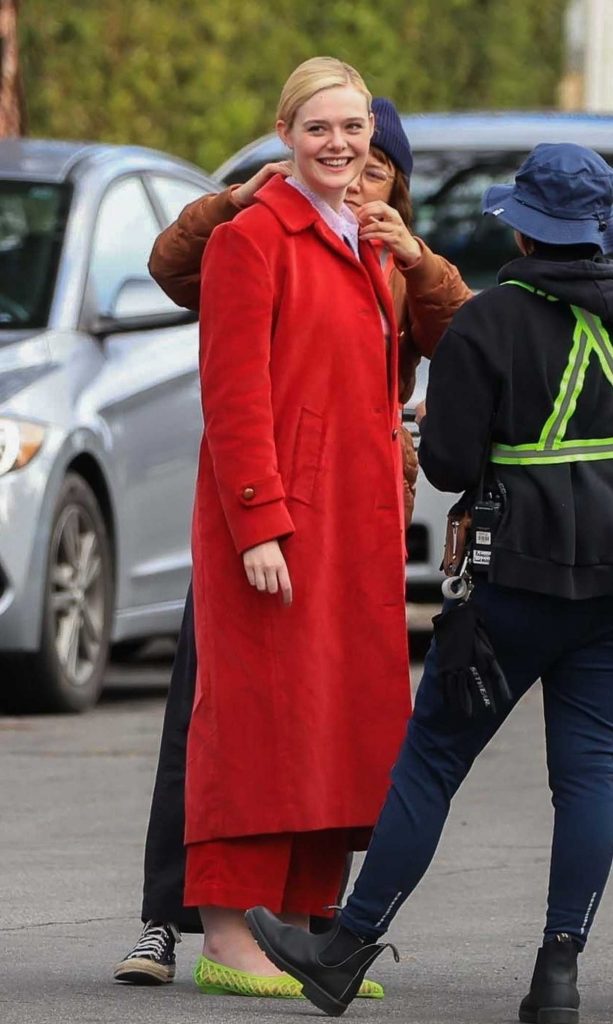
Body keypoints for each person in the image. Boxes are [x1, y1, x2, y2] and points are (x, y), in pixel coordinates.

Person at [244, 142, 613, 1024]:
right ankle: (558, 975)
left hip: (513, 577)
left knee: (434, 759)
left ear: (523, 235)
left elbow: (448, 464)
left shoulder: (489, 320)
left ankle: (343, 946)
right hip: (608, 582)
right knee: (591, 773)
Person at [113, 84, 471, 992]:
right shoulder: (250, 235)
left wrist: (414, 256)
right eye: (323, 128)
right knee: (252, 723)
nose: (347, 151)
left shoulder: (377, 246)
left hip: (357, 521)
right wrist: (258, 519)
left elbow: (463, 343)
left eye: (360, 136)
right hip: (278, 520)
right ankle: (217, 936)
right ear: (284, 135)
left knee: (337, 724)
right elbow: (234, 392)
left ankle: (310, 928)